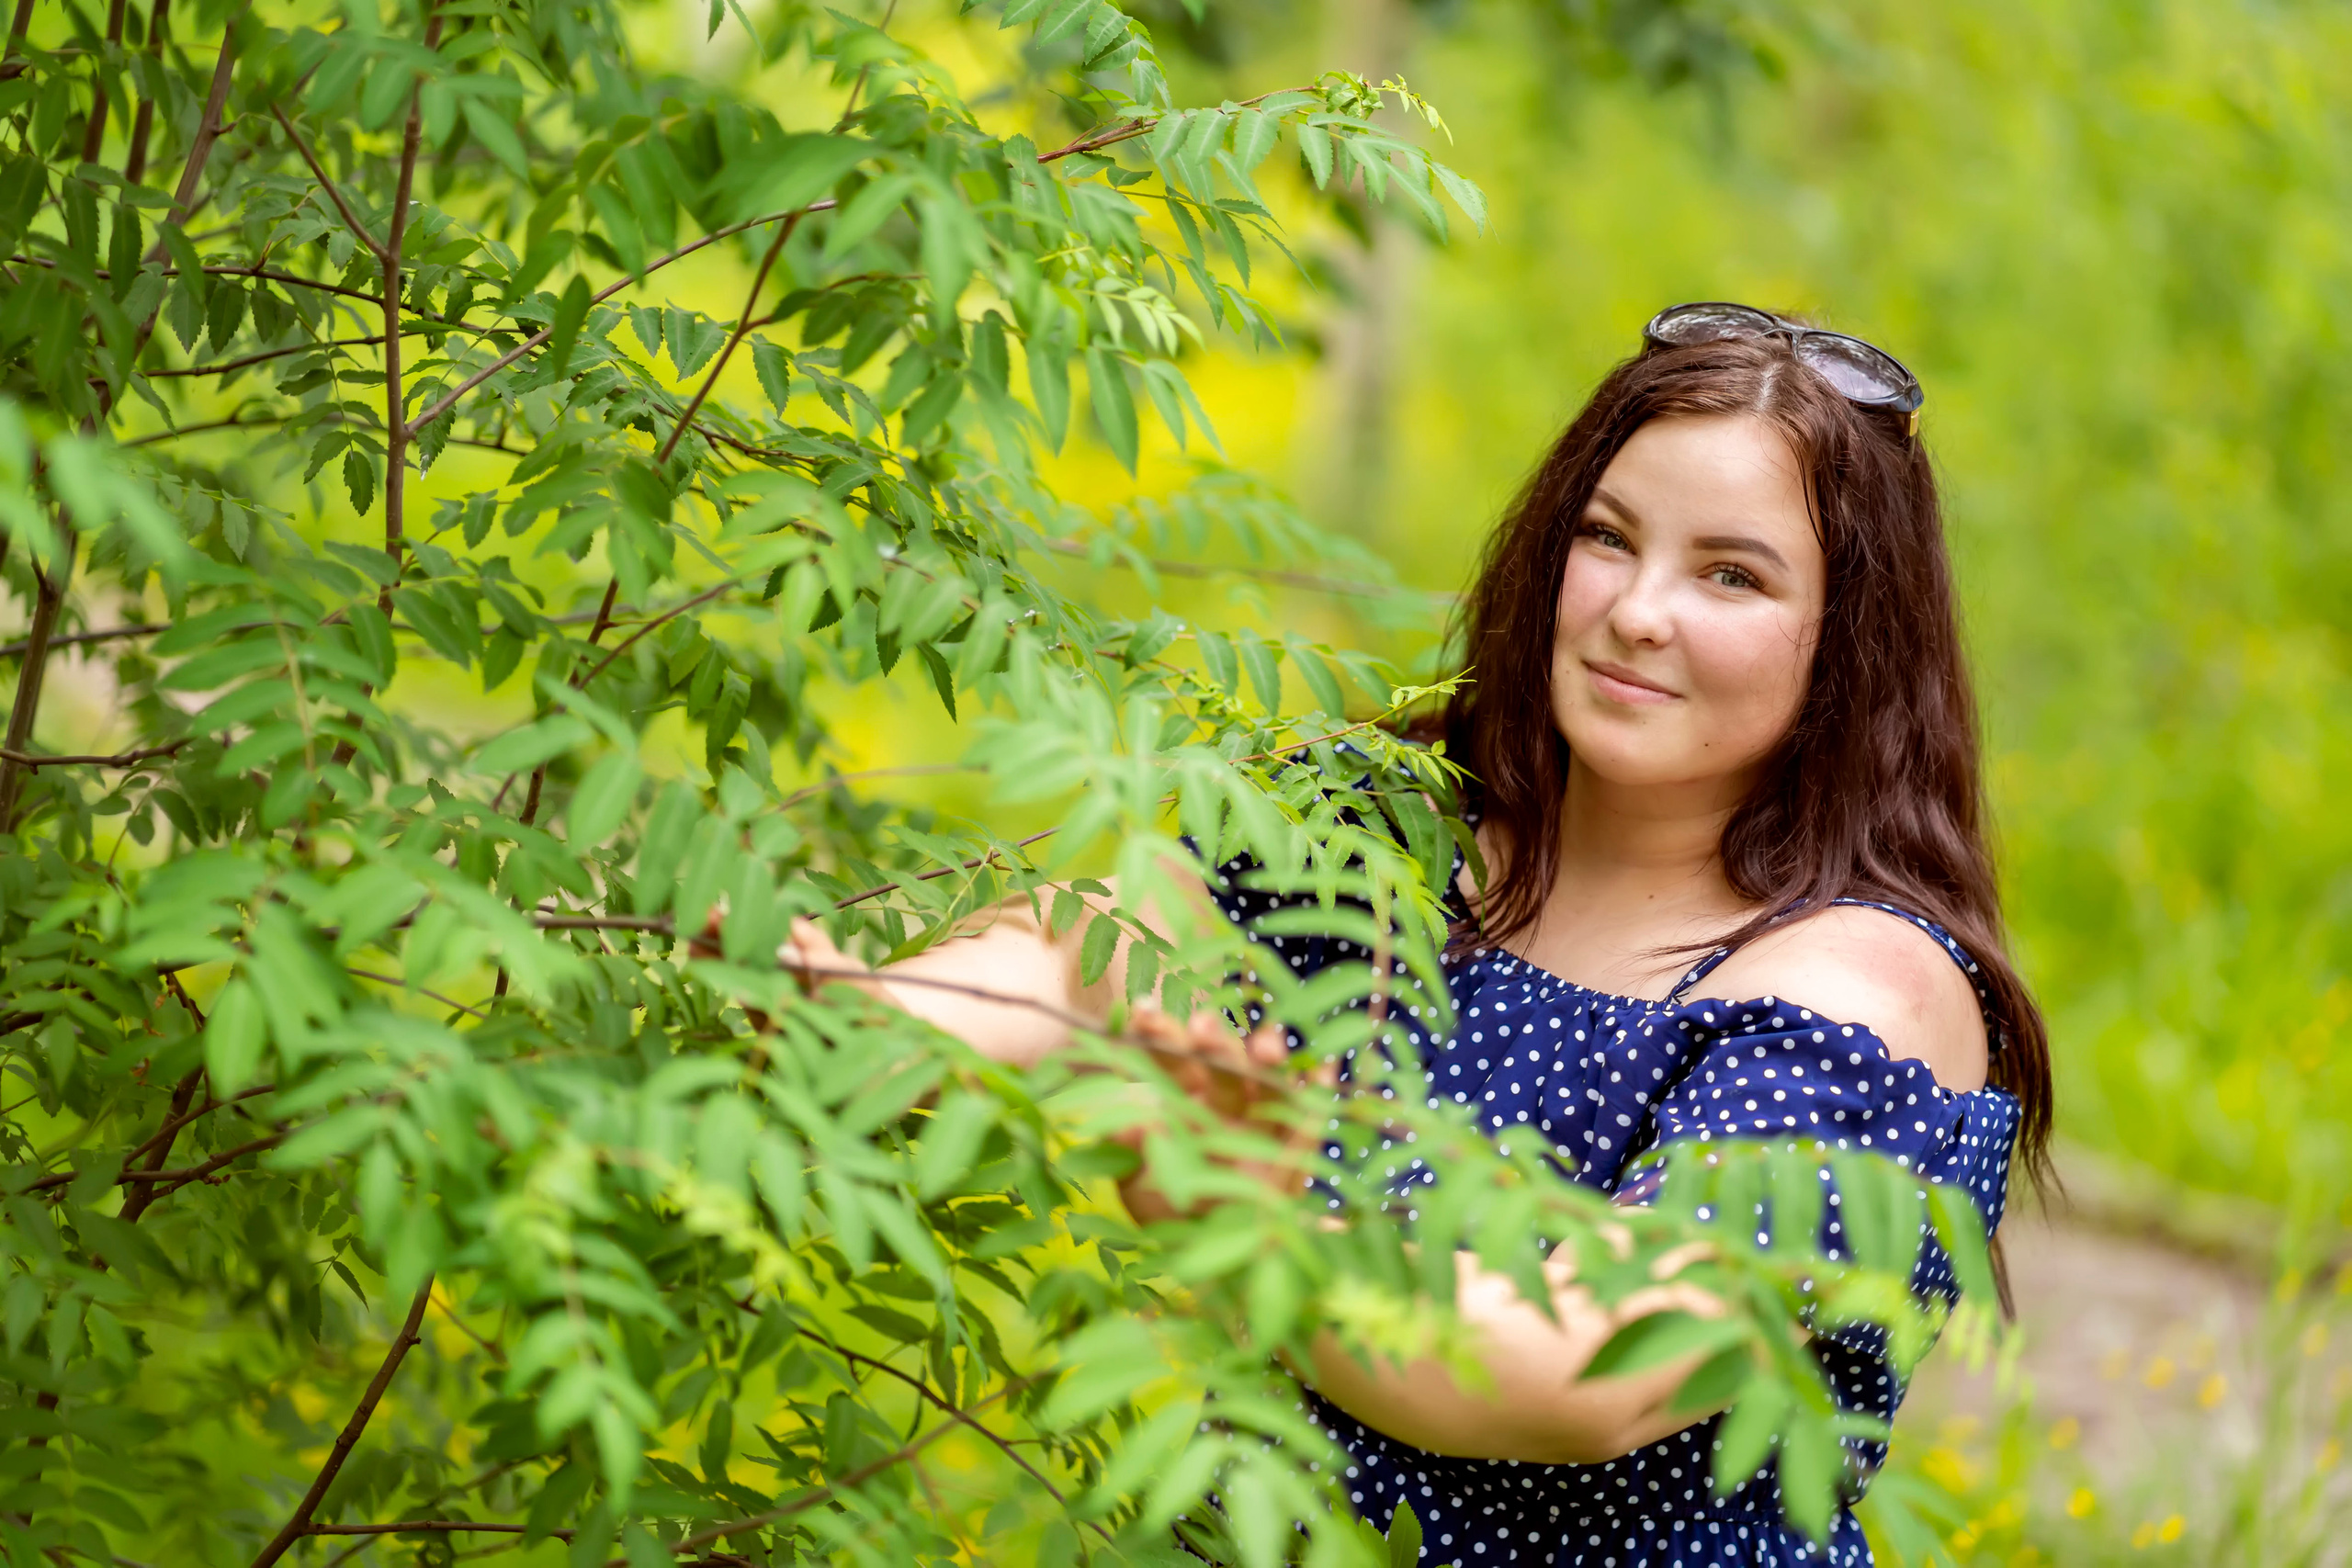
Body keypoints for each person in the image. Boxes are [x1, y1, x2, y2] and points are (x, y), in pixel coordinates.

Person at [784, 303, 2052, 1565]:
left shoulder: (1863, 996)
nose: (1636, 611)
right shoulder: (1394, 826)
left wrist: (1255, 1220)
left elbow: (1582, 1369)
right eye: (1608, 538)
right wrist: (870, 1020)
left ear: (1851, 644)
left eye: (1733, 575)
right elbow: (1103, 942)